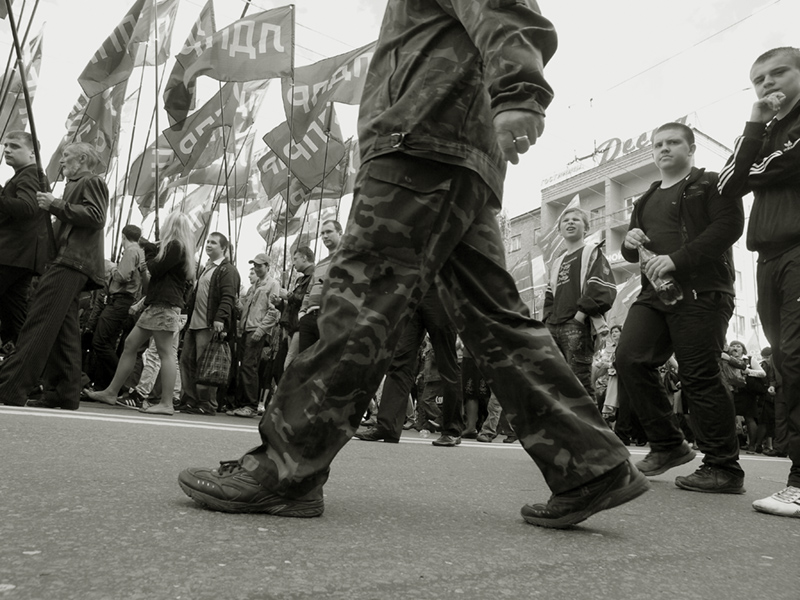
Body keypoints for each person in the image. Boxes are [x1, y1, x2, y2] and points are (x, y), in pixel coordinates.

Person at [178, 0, 650, 530]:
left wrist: (520, 91)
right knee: (497, 322)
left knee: (359, 304)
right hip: (445, 151)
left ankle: (287, 469)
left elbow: (502, 7)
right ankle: (590, 464)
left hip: (421, 148)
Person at [616, 122, 745, 493]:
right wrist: (630, 240)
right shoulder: (645, 198)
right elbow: (631, 252)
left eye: (673, 142)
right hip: (655, 294)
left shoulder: (711, 183)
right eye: (658, 144)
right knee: (629, 359)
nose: (664, 149)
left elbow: (728, 226)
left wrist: (678, 259)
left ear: (691, 149)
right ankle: (669, 445)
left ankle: (724, 468)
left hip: (703, 291)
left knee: (699, 374)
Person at [717, 46, 800, 517]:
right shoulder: (762, 130)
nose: (767, 84)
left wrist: (754, 162)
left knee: (797, 355)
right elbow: (729, 183)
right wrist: (754, 124)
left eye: (779, 73)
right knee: (787, 364)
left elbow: (764, 169)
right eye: (758, 80)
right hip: (768, 255)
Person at [0, 142, 108, 410]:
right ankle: (64, 393)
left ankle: (10, 387)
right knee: (64, 332)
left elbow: (96, 216)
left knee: (39, 323)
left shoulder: (91, 181)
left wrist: (55, 205)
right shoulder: (76, 184)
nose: (61, 161)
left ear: (81, 159)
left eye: (66, 156)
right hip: (70, 261)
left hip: (71, 262)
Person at [85, 211, 195, 415]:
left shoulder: (175, 246)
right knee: (131, 345)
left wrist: (150, 252)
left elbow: (155, 269)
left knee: (165, 353)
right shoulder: (179, 248)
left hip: (164, 305)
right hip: (158, 304)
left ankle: (167, 403)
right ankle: (111, 391)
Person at [354, 288, 464, 446]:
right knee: (399, 361)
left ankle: (452, 430)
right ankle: (387, 426)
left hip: (441, 291)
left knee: (447, 363)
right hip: (411, 293)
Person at [543, 207, 616, 401]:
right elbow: (550, 295)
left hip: (576, 326)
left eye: (576, 219)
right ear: (559, 230)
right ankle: (565, 429)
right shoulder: (557, 262)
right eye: (565, 220)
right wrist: (547, 321)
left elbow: (601, 287)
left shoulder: (592, 251)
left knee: (579, 383)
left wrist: (579, 317)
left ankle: (591, 431)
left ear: (586, 228)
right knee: (555, 382)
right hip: (554, 326)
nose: (570, 222)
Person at [178, 232, 239, 415]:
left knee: (206, 366)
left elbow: (228, 297)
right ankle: (190, 400)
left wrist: (220, 318)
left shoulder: (227, 270)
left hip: (209, 325)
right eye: (208, 242)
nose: (209, 245)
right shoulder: (207, 268)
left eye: (213, 243)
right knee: (186, 361)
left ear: (223, 248)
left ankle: (207, 404)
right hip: (194, 325)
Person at [0, 130, 51, 347]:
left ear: (32, 153)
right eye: (6, 146)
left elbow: (28, 207)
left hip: (12, 254)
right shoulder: (27, 174)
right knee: (15, 315)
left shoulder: (30, 173)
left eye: (14, 146)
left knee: (15, 313)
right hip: (22, 257)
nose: (7, 150)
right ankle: (27, 365)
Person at [87, 224, 145, 390]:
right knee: (107, 343)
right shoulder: (139, 251)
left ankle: (119, 380)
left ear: (123, 236)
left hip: (120, 300)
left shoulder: (131, 251)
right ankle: (104, 384)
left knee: (100, 342)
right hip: (125, 301)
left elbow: (122, 276)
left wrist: (112, 269)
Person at [232, 253, 281, 418]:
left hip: (256, 330)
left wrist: (261, 330)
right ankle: (242, 403)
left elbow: (273, 312)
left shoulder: (273, 284)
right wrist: (236, 300)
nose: (257, 268)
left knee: (249, 366)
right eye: (255, 265)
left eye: (260, 265)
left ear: (267, 266)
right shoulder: (254, 286)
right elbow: (244, 309)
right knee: (244, 367)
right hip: (246, 330)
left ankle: (251, 404)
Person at [297, 220, 343, 353]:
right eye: (322, 233)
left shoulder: (346, 260)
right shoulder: (320, 264)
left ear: (340, 233)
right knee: (304, 363)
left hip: (330, 317)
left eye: (329, 232)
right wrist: (302, 312)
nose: (325, 236)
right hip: (309, 318)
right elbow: (309, 291)